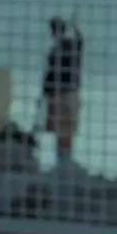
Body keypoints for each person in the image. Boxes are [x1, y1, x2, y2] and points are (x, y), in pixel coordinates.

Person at [43, 15, 84, 167]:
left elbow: (79, 44)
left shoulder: (66, 47)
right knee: (62, 128)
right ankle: (62, 158)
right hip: (60, 92)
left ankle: (64, 158)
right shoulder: (58, 49)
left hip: (65, 92)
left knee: (64, 127)